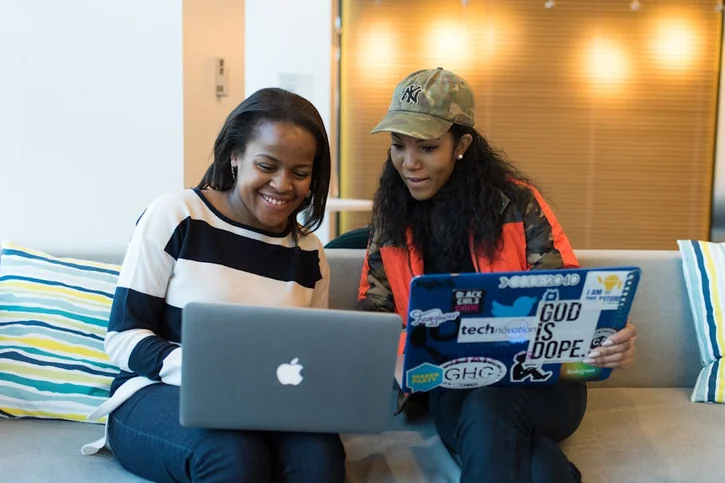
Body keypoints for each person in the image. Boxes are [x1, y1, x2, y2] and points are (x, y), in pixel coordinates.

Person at [357, 68, 637, 483]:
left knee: (491, 400)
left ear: (461, 145)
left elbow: (566, 297)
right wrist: (402, 356)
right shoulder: (390, 220)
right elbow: (373, 316)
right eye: (398, 146)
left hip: (545, 386)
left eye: (428, 148)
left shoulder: (516, 204)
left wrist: (605, 338)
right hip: (451, 386)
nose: (409, 163)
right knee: (540, 467)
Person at [86, 88, 346, 482]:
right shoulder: (177, 215)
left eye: (299, 173)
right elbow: (123, 337)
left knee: (320, 460)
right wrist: (212, 375)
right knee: (234, 457)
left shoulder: (308, 253)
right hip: (155, 393)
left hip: (268, 405)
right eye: (267, 165)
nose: (282, 185)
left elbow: (310, 358)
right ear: (235, 156)